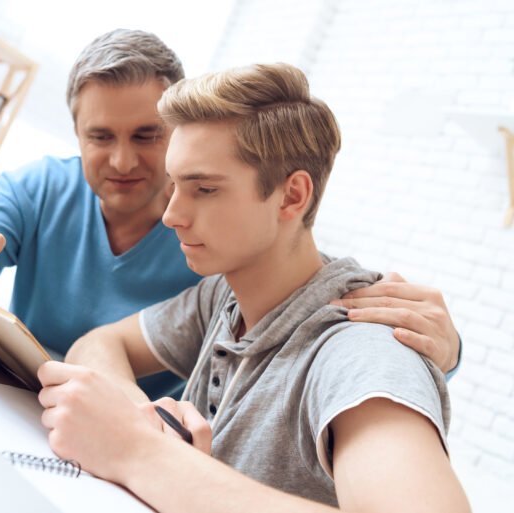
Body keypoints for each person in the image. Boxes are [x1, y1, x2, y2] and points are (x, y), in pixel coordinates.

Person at [0, 30, 461, 400]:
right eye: (100, 136)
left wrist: (440, 353)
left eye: (147, 135)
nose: (122, 161)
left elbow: (306, 306)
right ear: (77, 134)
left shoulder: (225, 241)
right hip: (17, 400)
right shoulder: (40, 187)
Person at [37, 63, 471, 513]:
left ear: (292, 195)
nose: (171, 216)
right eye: (175, 186)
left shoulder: (359, 352)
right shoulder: (223, 294)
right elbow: (98, 344)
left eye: (204, 189)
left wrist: (137, 452)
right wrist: (142, 421)